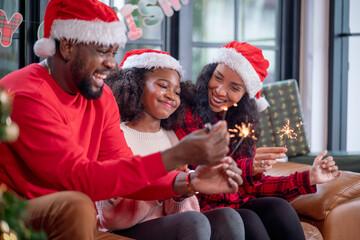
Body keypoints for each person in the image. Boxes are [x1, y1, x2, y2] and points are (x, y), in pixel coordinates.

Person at [0, 1, 241, 239]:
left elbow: (125, 168)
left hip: (78, 223)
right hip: (18, 219)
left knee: (222, 222)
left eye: (113, 53)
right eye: (102, 52)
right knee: (75, 205)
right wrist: (177, 154)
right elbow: (77, 178)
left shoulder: (100, 96)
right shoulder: (27, 94)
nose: (112, 64)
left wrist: (189, 180)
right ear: (67, 48)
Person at [175, 41, 341, 240]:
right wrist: (248, 167)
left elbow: (255, 186)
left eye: (234, 88)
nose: (219, 91)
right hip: (203, 207)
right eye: (217, 78)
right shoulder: (185, 114)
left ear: (245, 96)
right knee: (248, 218)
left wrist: (310, 178)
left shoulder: (241, 123)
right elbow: (202, 168)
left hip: (236, 204)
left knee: (279, 207)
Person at [97, 49, 245, 240]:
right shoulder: (117, 135)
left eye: (177, 91)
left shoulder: (172, 138)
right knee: (194, 222)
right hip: (124, 229)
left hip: (173, 226)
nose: (171, 96)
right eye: (163, 86)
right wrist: (165, 181)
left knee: (228, 216)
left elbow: (181, 212)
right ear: (135, 85)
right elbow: (110, 217)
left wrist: (180, 194)